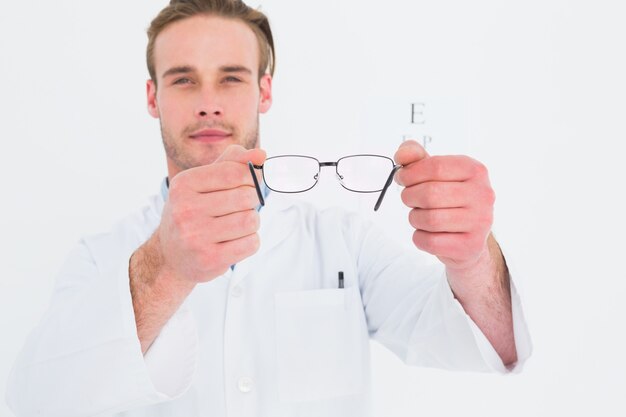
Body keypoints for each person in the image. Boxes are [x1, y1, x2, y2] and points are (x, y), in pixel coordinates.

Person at [6, 0, 531, 416]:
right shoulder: (103, 258)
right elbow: (39, 398)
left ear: (265, 91)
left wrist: (472, 258)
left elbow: (490, 345)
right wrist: (162, 269)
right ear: (152, 98)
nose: (208, 101)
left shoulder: (344, 240)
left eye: (231, 77)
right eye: (184, 79)